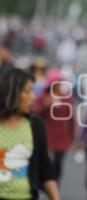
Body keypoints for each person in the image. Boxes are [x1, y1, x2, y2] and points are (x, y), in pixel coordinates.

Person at [0, 67, 60, 200]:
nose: (33, 97)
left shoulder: (35, 125)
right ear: (11, 92)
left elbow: (45, 170)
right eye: (27, 91)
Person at [32, 68, 75, 183]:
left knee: (58, 164)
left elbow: (71, 119)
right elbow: (35, 114)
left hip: (62, 137)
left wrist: (72, 137)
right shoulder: (43, 97)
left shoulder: (67, 98)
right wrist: (46, 105)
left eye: (60, 82)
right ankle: (45, 184)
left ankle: (55, 184)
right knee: (45, 163)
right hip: (46, 136)